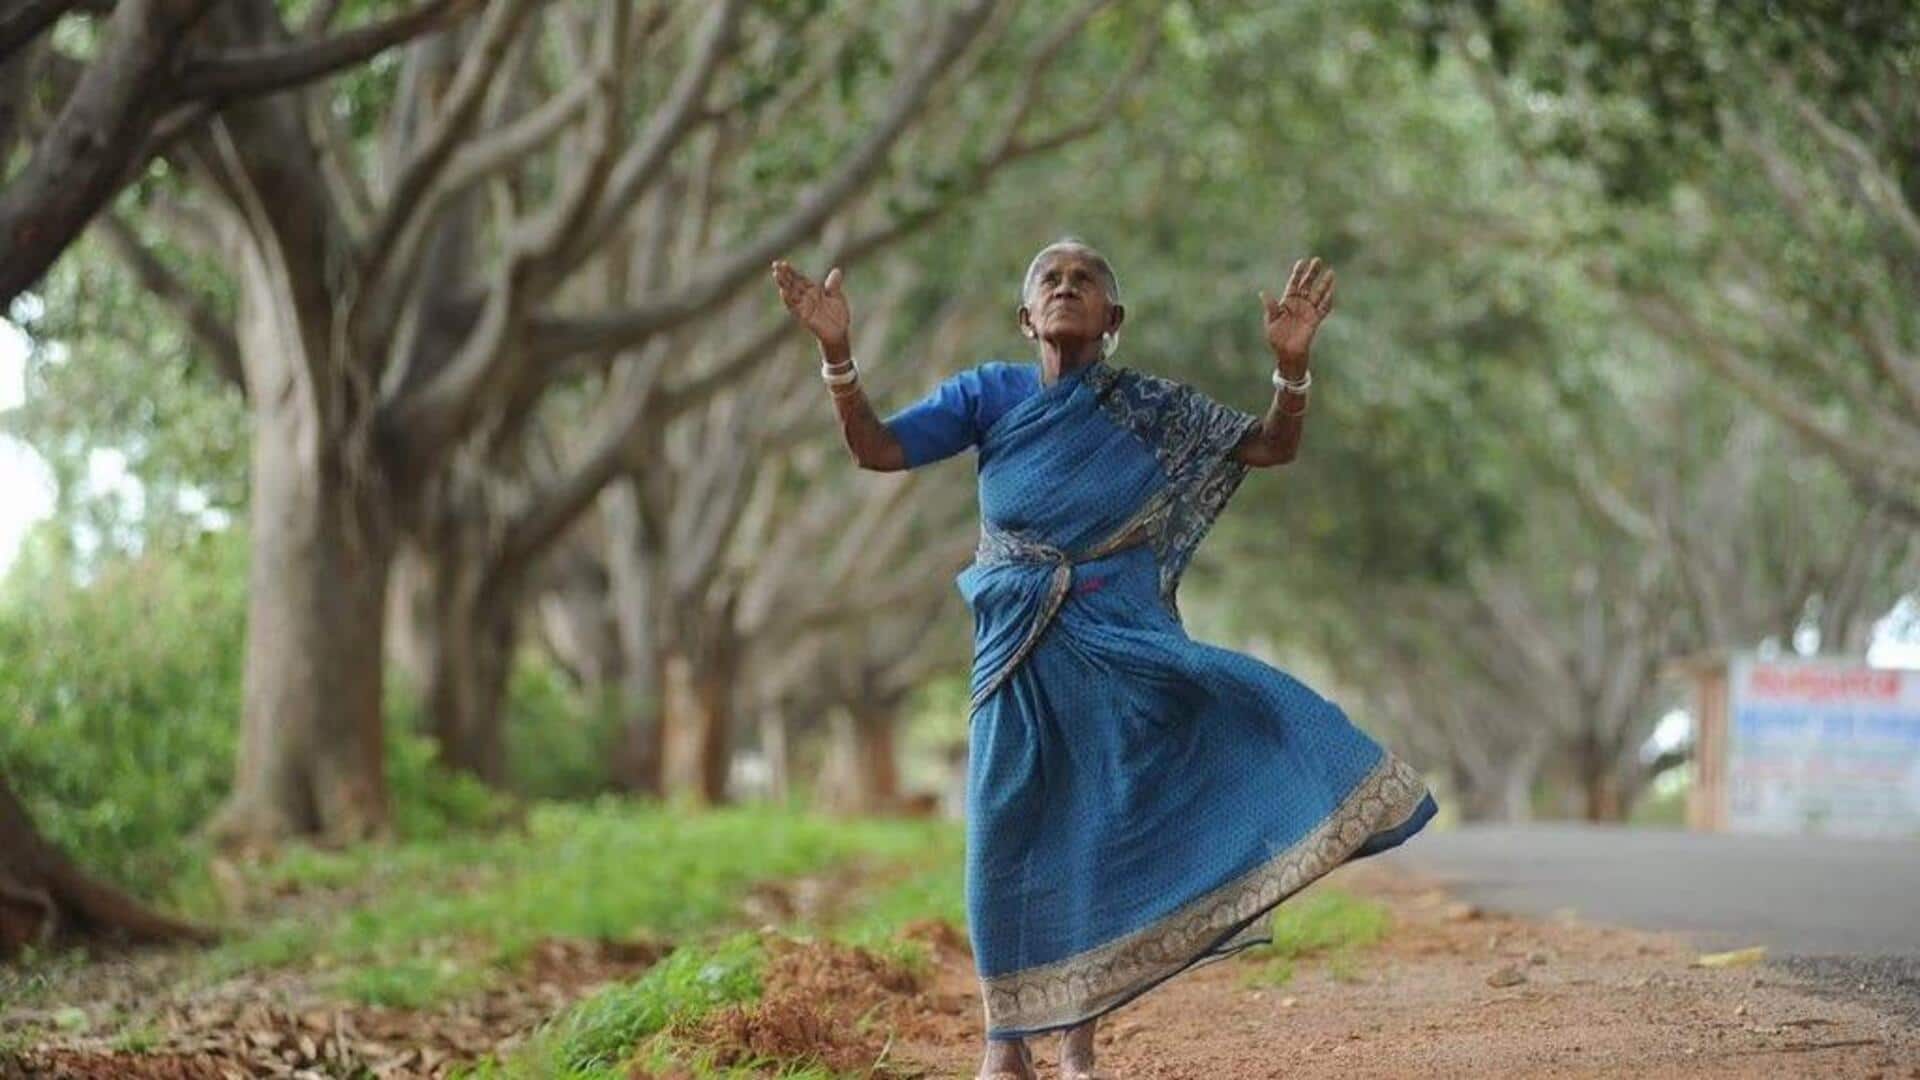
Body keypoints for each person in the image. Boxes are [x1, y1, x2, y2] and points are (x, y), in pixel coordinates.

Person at [771, 239, 1436, 1080]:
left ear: (1113, 321)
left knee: (1103, 824)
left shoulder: (1151, 409)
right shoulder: (989, 395)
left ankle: (1078, 1041)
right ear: (1025, 317)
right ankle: (1003, 1044)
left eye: (1085, 281)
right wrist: (837, 351)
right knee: (1004, 833)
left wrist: (1292, 371)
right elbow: (876, 448)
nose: (1066, 288)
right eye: (1049, 280)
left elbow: (1269, 447)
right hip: (1015, 645)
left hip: (1124, 643)